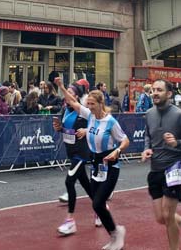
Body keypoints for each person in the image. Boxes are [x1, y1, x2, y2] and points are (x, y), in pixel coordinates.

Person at [55, 76, 129, 250]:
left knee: (97, 204)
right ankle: (114, 238)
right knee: (98, 203)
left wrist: (116, 152)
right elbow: (73, 103)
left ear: (100, 104)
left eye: (92, 104)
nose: (88, 107)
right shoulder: (90, 116)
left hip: (110, 166)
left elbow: (125, 140)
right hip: (96, 165)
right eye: (87, 104)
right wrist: (61, 86)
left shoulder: (110, 121)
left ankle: (117, 232)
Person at [141, 80, 181, 250]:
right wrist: (146, 149)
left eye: (159, 90)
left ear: (169, 94)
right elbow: (147, 136)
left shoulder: (180, 115)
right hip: (155, 169)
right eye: (153, 90)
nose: (155, 93)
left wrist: (177, 143)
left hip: (173, 168)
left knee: (168, 215)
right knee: (161, 218)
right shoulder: (149, 113)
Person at [53, 81, 92, 236]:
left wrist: (87, 130)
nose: (66, 95)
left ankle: (70, 222)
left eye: (70, 92)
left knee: (69, 181)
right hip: (71, 151)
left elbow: (97, 126)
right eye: (66, 91)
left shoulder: (83, 110)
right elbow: (66, 129)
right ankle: (101, 208)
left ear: (76, 96)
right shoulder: (65, 110)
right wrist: (59, 128)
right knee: (87, 185)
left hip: (81, 153)